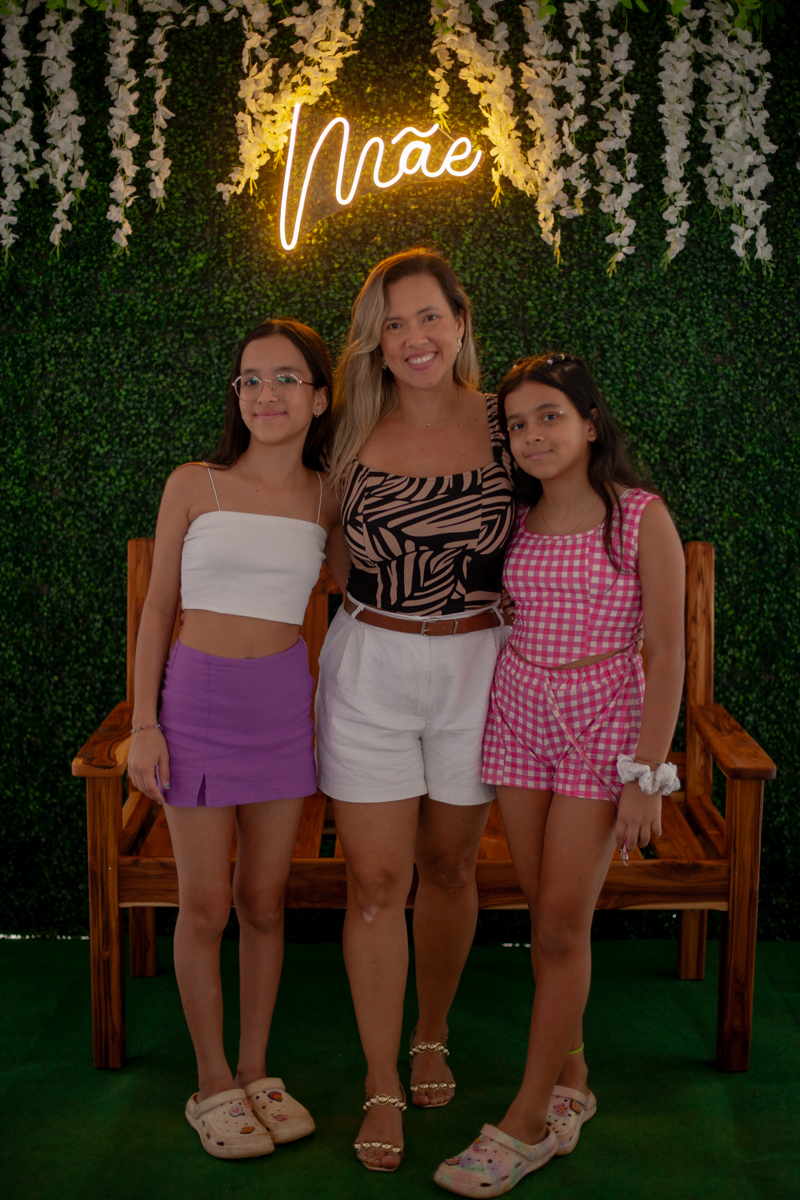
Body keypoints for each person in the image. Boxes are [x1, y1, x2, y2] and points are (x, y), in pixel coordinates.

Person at [435, 353, 685, 1198]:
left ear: (589, 422)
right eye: (518, 424)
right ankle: (574, 1075)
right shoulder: (515, 516)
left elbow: (667, 651)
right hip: (518, 715)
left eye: (550, 417)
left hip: (603, 723)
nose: (533, 435)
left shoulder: (639, 515)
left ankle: (529, 1119)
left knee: (559, 926)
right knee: (543, 909)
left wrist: (646, 774)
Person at [127, 318, 345, 1160]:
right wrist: (144, 724)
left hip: (283, 708)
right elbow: (157, 609)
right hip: (196, 705)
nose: (265, 394)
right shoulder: (194, 483)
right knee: (207, 906)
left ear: (319, 398)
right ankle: (212, 1081)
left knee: (262, 901)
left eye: (286, 379)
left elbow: (368, 589)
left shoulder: (329, 496)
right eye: (250, 379)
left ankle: (257, 1070)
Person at [318, 248, 515, 1173]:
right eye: (393, 323)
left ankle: (430, 1030)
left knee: (450, 864)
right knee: (374, 884)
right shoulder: (351, 426)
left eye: (429, 316)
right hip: (371, 666)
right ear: (375, 340)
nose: (414, 337)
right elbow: (324, 547)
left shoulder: (511, 422)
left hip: (479, 664)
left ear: (460, 321)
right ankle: (379, 1078)